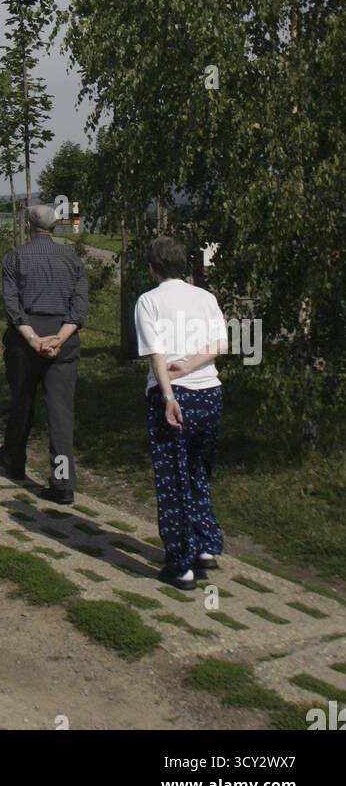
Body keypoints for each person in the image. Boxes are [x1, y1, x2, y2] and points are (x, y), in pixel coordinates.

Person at [135, 235, 230, 590]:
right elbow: (221, 344)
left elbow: (156, 353)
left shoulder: (148, 301)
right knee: (198, 471)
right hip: (210, 392)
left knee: (172, 480)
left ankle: (181, 564)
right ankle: (206, 544)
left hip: (173, 398)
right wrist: (190, 366)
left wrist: (168, 393)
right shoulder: (205, 298)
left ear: (152, 268)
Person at [0, 204, 88, 503]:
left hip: (26, 340)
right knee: (60, 411)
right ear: (54, 227)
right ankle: (62, 481)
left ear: (27, 226)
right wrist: (59, 339)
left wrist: (34, 339)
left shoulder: (14, 258)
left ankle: (14, 459)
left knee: (22, 400)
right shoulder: (73, 261)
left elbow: (12, 305)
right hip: (63, 340)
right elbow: (79, 308)